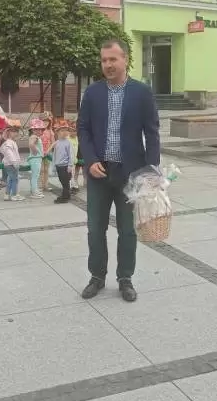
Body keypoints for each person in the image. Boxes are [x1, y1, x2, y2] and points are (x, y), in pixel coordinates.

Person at [78, 39, 160, 302]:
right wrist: (90, 160)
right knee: (95, 229)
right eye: (104, 60)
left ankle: (125, 278)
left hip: (130, 176)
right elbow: (83, 129)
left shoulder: (141, 92)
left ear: (125, 59)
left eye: (113, 59)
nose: (108, 65)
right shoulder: (93, 93)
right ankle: (97, 276)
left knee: (127, 230)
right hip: (99, 173)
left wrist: (151, 172)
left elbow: (152, 133)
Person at [49, 121, 75, 204]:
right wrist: (54, 165)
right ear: (57, 132)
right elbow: (55, 155)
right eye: (62, 130)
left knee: (65, 182)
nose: (64, 132)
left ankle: (65, 197)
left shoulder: (68, 143)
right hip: (59, 165)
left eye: (66, 130)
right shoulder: (57, 142)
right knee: (62, 181)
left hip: (65, 166)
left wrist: (70, 165)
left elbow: (71, 154)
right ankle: (67, 195)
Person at [1, 125, 23, 201]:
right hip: (11, 164)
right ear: (8, 133)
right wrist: (14, 162)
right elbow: (9, 152)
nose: (16, 133)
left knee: (10, 179)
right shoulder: (9, 142)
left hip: (10, 163)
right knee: (14, 180)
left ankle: (7, 195)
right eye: (13, 131)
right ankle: (14, 195)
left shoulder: (10, 142)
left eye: (16, 131)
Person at [27, 118, 45, 199]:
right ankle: (34, 192)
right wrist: (35, 151)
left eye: (40, 129)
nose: (39, 131)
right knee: (35, 176)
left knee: (35, 175)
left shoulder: (35, 137)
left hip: (36, 158)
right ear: (32, 130)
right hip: (35, 158)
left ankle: (34, 190)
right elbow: (31, 144)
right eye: (36, 129)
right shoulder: (34, 137)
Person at [39, 113, 55, 192]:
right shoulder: (38, 131)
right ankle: (41, 186)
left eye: (47, 121)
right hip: (39, 153)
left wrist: (48, 150)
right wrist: (40, 151)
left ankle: (46, 185)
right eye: (44, 121)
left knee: (46, 169)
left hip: (48, 153)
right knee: (41, 170)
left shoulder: (50, 131)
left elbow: (53, 142)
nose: (46, 122)